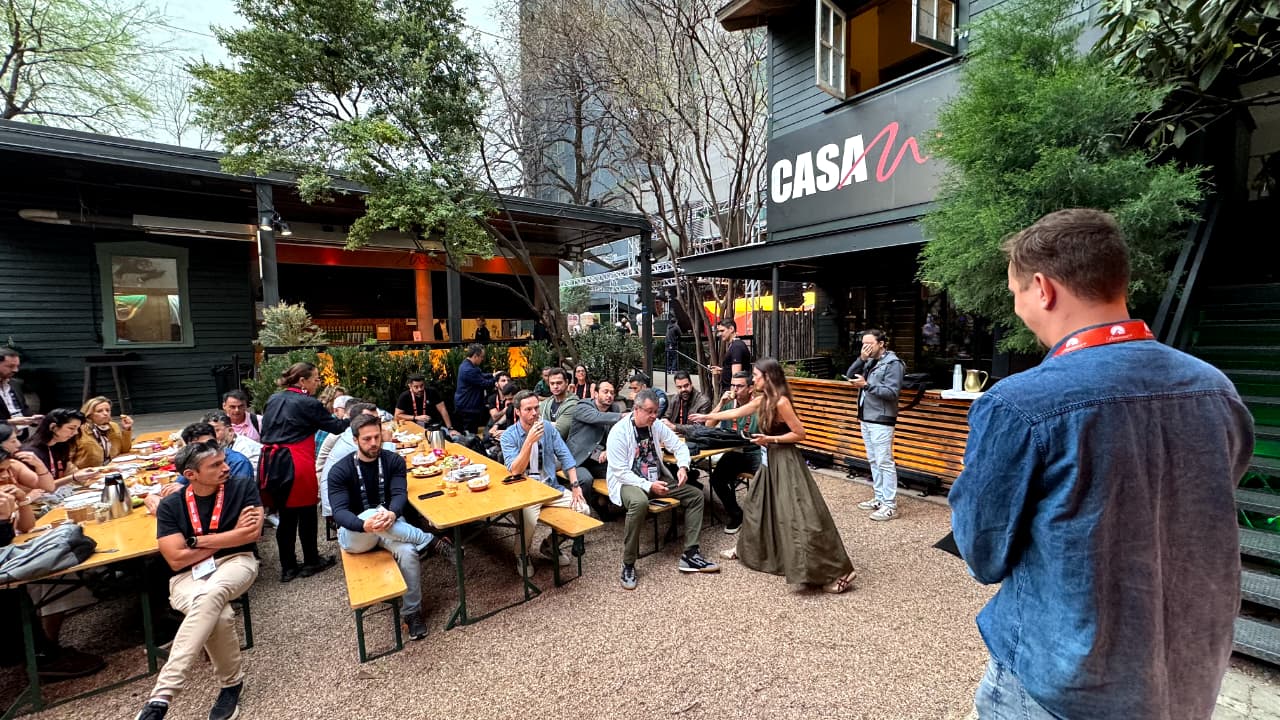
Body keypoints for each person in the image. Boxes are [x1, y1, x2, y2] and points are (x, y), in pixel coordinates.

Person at [948, 209, 1254, 720]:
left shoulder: (1021, 403)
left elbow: (983, 552)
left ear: (1042, 288)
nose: (1018, 307)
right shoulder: (1215, 389)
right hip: (1188, 673)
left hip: (1061, 682)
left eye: (1016, 292)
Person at [691, 359, 856, 594]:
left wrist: (771, 439)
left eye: (756, 375)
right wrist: (705, 417)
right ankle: (747, 550)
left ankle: (839, 570)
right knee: (757, 507)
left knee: (799, 515)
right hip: (769, 462)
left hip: (786, 462)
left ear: (768, 377)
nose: (754, 379)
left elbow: (800, 434)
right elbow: (737, 411)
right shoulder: (763, 400)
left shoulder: (781, 402)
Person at [133, 441, 263, 720]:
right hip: (186, 576)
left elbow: (251, 534)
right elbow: (175, 559)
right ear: (191, 475)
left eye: (223, 460)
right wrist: (229, 535)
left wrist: (195, 541)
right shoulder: (172, 505)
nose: (225, 467)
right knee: (220, 615)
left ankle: (161, 697)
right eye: (215, 465)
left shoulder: (242, 487)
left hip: (236, 561)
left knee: (211, 594)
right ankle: (231, 685)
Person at [328, 414, 440, 641]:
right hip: (356, 534)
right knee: (372, 512)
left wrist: (392, 513)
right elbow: (339, 513)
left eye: (377, 437)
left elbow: (399, 494)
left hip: (390, 526)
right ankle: (428, 539)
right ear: (355, 440)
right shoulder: (340, 470)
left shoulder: (393, 461)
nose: (373, 443)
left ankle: (412, 613)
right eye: (367, 439)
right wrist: (364, 524)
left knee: (408, 552)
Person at [607, 389, 718, 590]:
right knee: (639, 503)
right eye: (649, 411)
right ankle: (628, 563)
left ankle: (691, 554)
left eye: (656, 411)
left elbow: (679, 446)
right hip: (628, 482)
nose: (654, 416)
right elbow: (620, 471)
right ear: (636, 409)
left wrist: (683, 467)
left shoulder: (656, 425)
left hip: (656, 479)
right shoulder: (618, 432)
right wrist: (649, 486)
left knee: (695, 496)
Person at [258, 362, 348, 583]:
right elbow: (336, 427)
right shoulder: (308, 402)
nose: (318, 383)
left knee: (286, 516)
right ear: (302, 381)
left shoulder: (274, 399)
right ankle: (311, 561)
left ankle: (288, 567)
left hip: (271, 461)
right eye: (315, 378)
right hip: (296, 461)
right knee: (307, 514)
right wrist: (352, 418)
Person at [500, 391, 582, 569]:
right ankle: (521, 554)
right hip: (525, 493)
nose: (534, 413)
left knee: (583, 509)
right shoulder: (508, 436)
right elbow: (515, 470)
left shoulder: (548, 428)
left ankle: (550, 546)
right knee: (528, 521)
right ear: (518, 412)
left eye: (536, 408)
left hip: (550, 488)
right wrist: (529, 441)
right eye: (528, 409)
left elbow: (565, 455)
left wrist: (575, 485)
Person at [845, 329, 904, 521]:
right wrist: (861, 359)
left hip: (882, 418)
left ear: (881, 344)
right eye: (863, 344)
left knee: (884, 461)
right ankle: (879, 498)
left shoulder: (893, 364)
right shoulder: (870, 361)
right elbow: (850, 375)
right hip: (866, 416)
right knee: (873, 460)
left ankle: (890, 505)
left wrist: (867, 386)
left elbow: (892, 393)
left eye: (869, 344)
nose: (866, 347)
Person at [705, 371, 760, 534]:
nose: (735, 389)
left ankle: (762, 521)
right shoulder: (729, 403)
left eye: (739, 386)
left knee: (763, 482)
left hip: (755, 450)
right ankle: (736, 515)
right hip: (734, 451)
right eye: (732, 385)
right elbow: (708, 425)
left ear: (750, 388)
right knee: (716, 479)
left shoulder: (758, 405)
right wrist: (721, 403)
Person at [566, 380, 625, 512]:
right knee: (586, 479)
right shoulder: (582, 406)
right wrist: (623, 416)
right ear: (596, 394)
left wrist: (609, 450)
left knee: (621, 472)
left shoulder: (614, 409)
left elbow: (617, 435)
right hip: (576, 460)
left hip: (597, 459)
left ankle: (602, 502)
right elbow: (597, 417)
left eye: (612, 393)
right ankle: (584, 511)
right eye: (605, 392)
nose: (609, 395)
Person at [21, 409, 101, 490]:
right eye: (71, 428)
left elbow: (70, 471)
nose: (75, 433)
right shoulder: (29, 452)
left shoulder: (61, 445)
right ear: (53, 427)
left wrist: (84, 475)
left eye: (77, 429)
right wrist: (73, 477)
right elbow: (38, 487)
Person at [70, 396, 133, 469]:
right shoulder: (78, 431)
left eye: (108, 410)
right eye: (99, 411)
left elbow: (125, 450)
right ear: (89, 415)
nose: (105, 413)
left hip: (112, 468)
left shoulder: (113, 426)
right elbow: (68, 460)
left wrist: (126, 429)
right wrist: (77, 473)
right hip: (89, 473)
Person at [181, 423, 254, 482]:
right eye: (200, 447)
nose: (208, 449)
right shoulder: (192, 460)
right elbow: (180, 483)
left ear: (217, 441)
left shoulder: (238, 462)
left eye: (210, 443)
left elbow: (240, 492)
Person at [453, 344, 498, 435]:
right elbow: (484, 383)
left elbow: (480, 375)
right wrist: (496, 379)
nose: (482, 359)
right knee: (470, 435)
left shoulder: (466, 365)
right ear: (475, 356)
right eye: (481, 357)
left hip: (465, 405)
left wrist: (492, 375)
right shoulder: (469, 370)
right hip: (468, 407)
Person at [205, 412, 262, 477]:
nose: (211, 436)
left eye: (216, 431)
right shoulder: (226, 446)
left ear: (230, 431)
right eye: (208, 432)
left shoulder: (244, 451)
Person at [0, 347, 41, 438]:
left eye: (17, 366)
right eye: (10, 366)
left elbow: (23, 408)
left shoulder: (16, 384)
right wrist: (9, 422)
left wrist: (33, 419)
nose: (16, 370)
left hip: (21, 437)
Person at [538, 367, 579, 440]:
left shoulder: (573, 404)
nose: (555, 386)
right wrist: (553, 424)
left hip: (566, 445)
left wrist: (542, 424)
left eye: (559, 383)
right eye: (552, 383)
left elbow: (558, 433)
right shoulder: (545, 404)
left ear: (566, 382)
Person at [712, 319, 751, 392]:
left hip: (731, 391)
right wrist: (723, 370)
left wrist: (732, 394)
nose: (720, 334)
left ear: (731, 329)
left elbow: (736, 375)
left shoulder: (736, 347)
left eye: (722, 331)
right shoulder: (734, 345)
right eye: (719, 331)